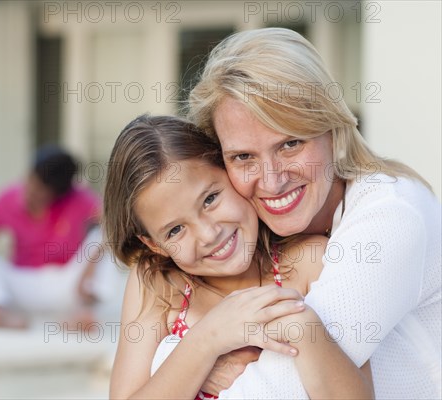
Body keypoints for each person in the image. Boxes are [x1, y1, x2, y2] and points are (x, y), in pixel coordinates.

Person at [187, 27, 441, 398]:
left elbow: (279, 389)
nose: (272, 182)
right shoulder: (243, 238)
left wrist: (196, 362)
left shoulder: (393, 213)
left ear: (332, 131)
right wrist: (202, 349)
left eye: (290, 143)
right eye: (244, 157)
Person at [104, 114, 374, 399]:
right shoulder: (158, 284)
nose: (208, 234)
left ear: (232, 171)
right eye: (175, 230)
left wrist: (304, 328)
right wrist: (207, 340)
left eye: (210, 199)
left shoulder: (310, 261)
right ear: (154, 244)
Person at [0, 146, 106, 328]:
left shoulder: (82, 200)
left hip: (65, 287)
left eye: (40, 191)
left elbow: (115, 228)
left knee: (103, 239)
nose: (30, 192)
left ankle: (83, 315)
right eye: (30, 181)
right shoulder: (7, 197)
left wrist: (91, 266)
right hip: (19, 285)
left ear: (59, 194)